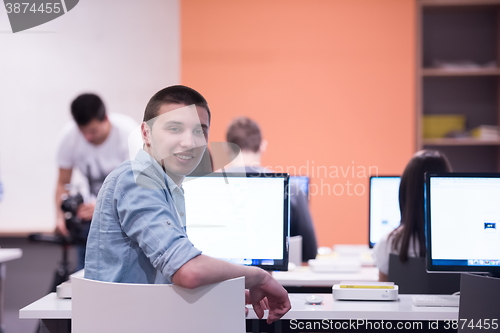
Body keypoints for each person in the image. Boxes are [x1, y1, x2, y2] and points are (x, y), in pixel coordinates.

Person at [84, 85, 291, 323]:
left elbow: (168, 274)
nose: (189, 142)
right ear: (146, 133)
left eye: (199, 131)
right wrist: (259, 277)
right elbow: (188, 272)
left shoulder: (167, 185)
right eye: (174, 128)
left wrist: (221, 292)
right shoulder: (136, 178)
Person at [55, 93, 138, 270]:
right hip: (90, 222)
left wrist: (103, 206)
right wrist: (61, 217)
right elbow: (62, 183)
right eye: (83, 132)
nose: (87, 137)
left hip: (125, 217)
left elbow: (138, 186)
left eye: (93, 131)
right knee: (85, 272)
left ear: (105, 119)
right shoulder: (69, 136)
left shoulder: (129, 134)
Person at [225, 117, 318, 262]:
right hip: (271, 279)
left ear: (227, 147)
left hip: (217, 280)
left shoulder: (201, 187)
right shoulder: (290, 187)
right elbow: (309, 251)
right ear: (263, 146)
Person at [372, 150, 452, 282]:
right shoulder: (463, 244)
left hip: (406, 304)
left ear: (404, 191)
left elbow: (384, 296)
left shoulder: (389, 243)